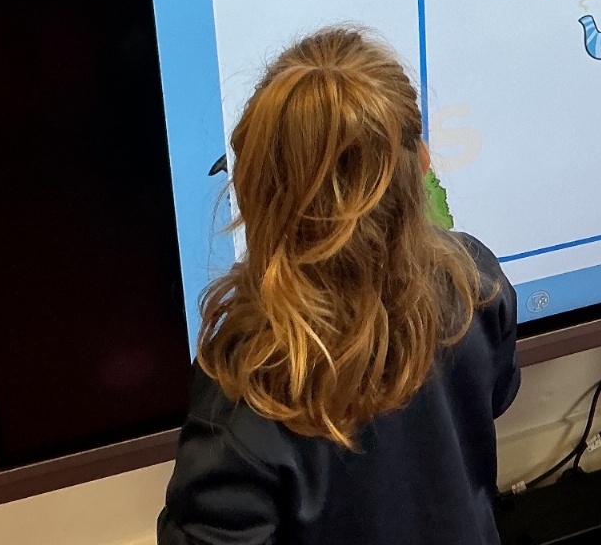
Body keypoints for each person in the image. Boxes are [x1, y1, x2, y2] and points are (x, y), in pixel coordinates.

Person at [158, 27, 519, 545]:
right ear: (420, 164)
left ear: (252, 189)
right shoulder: (475, 283)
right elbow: (496, 396)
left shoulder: (249, 384)